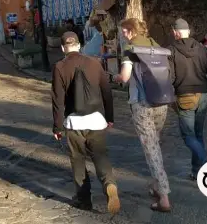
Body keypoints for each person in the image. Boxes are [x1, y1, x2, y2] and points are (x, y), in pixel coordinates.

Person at [52, 31, 119, 215]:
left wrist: (57, 127)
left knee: (78, 161)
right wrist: (110, 117)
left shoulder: (59, 67)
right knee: (100, 157)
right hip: (96, 120)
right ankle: (109, 184)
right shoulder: (95, 63)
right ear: (79, 45)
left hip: (74, 123)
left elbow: (57, 100)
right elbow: (107, 92)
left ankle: (84, 200)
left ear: (63, 48)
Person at [113, 17, 172, 213]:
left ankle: (163, 196)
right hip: (161, 101)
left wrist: (114, 77)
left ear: (130, 31)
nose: (123, 34)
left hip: (142, 103)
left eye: (124, 31)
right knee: (155, 143)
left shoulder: (130, 49)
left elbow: (125, 77)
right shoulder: (154, 44)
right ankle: (156, 185)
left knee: (151, 148)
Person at [169, 18, 207, 181]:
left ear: (176, 32)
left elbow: (170, 77)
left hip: (185, 95)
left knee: (188, 136)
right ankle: (197, 171)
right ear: (189, 32)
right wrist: (205, 84)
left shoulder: (171, 50)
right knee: (198, 134)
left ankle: (205, 161)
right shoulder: (201, 48)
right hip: (203, 94)